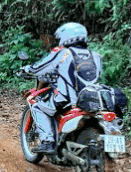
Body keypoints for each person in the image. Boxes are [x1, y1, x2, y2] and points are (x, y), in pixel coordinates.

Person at [19, 22, 102, 154]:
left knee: (37, 106)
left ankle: (48, 142)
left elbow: (40, 67)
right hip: (90, 100)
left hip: (67, 100)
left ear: (67, 37)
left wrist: (26, 69)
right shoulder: (95, 56)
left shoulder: (63, 53)